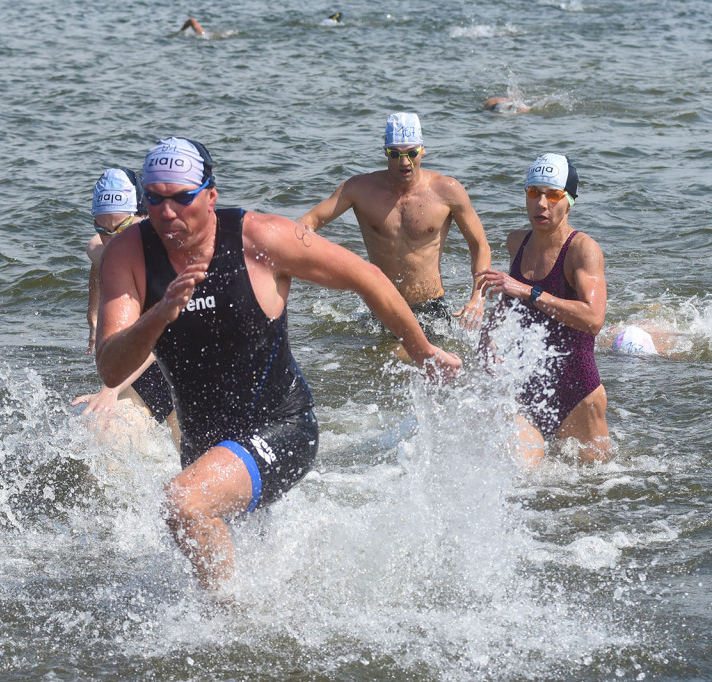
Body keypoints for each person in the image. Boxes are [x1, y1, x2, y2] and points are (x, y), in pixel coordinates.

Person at [95, 137, 461, 589]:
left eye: (181, 198)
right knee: (243, 561)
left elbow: (368, 277)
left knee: (183, 504)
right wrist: (158, 315)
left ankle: (226, 635)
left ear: (210, 196)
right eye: (154, 198)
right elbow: (110, 368)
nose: (166, 213)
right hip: (204, 442)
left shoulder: (261, 239)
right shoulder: (128, 253)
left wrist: (423, 350)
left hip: (282, 427)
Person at [297, 112, 491, 331]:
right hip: (381, 305)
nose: (404, 162)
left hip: (430, 309)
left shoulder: (447, 191)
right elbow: (308, 222)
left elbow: (480, 246)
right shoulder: (359, 190)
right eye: (395, 154)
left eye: (412, 153)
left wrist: (478, 298)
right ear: (385, 152)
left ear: (423, 150)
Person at [477, 154, 610, 466]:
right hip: (527, 390)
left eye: (553, 195)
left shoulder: (582, 250)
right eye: (533, 193)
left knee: (594, 489)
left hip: (577, 394)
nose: (541, 204)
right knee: (517, 477)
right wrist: (489, 334)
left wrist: (529, 291)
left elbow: (593, 319)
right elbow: (508, 299)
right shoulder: (517, 242)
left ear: (570, 201)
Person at [72, 169, 180, 446]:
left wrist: (110, 389)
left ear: (148, 216)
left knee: (197, 471)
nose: (112, 240)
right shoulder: (109, 247)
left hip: (190, 374)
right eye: (102, 228)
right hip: (144, 375)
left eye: (121, 228)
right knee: (104, 435)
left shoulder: (170, 262)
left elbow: (158, 339)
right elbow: (98, 254)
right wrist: (93, 314)